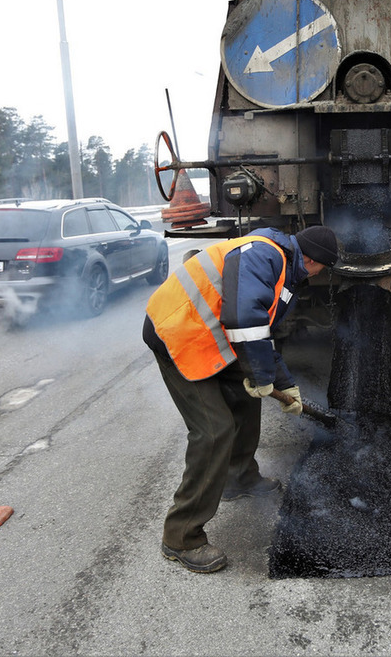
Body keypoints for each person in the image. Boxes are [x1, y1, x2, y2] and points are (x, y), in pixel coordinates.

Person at [142, 224, 340, 572]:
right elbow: (244, 319)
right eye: (322, 268)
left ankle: (239, 477)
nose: (320, 275)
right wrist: (262, 377)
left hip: (209, 335)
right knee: (214, 430)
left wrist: (283, 384)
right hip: (178, 336)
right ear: (310, 260)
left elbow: (260, 336)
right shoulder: (265, 255)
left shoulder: (284, 269)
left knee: (247, 397)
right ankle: (181, 537)